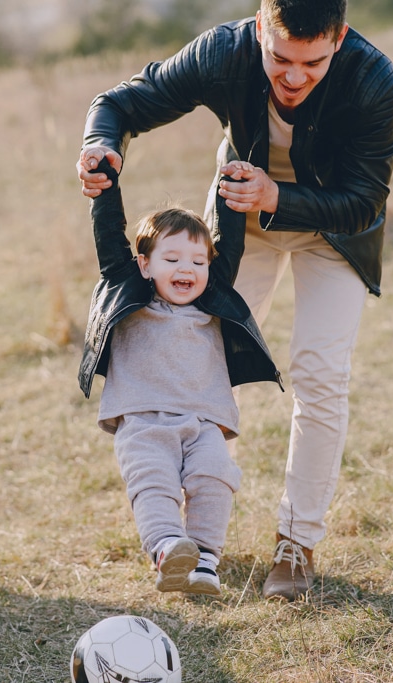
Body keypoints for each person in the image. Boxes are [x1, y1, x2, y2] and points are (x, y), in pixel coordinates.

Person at [76, 0, 393, 600]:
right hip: (236, 227)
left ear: (341, 38)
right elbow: (120, 103)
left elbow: (365, 200)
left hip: (334, 232)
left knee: (319, 372)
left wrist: (278, 193)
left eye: (314, 61)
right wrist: (103, 146)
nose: (295, 77)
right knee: (199, 358)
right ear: (258, 29)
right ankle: (182, 536)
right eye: (280, 58)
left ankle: (296, 543)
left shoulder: (373, 79)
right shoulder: (223, 52)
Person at [79, 158, 280, 595]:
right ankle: (169, 549)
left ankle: (205, 559)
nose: (186, 269)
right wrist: (104, 185)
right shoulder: (128, 290)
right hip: (143, 419)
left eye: (197, 260)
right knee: (154, 482)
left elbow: (230, 241)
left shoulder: (213, 301)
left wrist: (233, 180)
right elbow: (109, 237)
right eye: (171, 258)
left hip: (204, 420)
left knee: (214, 478)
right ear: (145, 265)